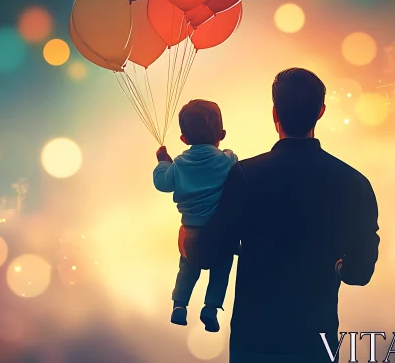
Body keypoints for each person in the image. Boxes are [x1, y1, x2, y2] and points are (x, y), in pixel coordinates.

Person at [187, 68, 380, 363]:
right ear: (321, 112)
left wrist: (188, 230)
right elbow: (360, 273)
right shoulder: (353, 182)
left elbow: (208, 255)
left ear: (275, 113)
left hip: (255, 340)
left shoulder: (244, 176)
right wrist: (338, 265)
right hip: (316, 342)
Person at [153, 99, 238, 333]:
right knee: (222, 267)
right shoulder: (227, 160)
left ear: (184, 139)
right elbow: (236, 170)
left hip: (189, 234)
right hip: (219, 235)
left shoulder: (178, 164)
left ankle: (179, 306)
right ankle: (210, 308)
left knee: (187, 268)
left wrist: (162, 162)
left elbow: (162, 183)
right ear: (222, 133)